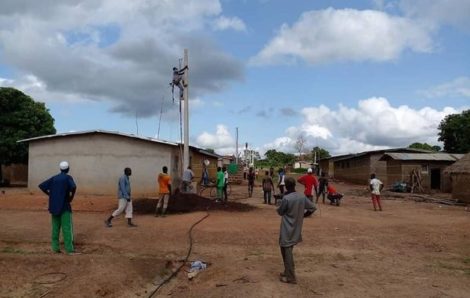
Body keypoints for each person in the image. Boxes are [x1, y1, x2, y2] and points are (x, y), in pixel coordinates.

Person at [277, 177, 316, 284]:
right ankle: (287, 271)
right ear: (294, 185)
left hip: (286, 229)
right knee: (285, 249)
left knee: (287, 250)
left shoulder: (287, 198)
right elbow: (313, 208)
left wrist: (281, 200)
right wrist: (303, 216)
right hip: (296, 228)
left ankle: (291, 277)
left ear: (286, 186)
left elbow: (280, 212)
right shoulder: (301, 197)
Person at [39, 161, 78, 255]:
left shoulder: (54, 178)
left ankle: (55, 248)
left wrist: (50, 194)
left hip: (54, 206)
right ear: (68, 169)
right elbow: (74, 187)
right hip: (64, 206)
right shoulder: (68, 178)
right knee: (67, 228)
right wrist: (71, 197)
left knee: (55, 228)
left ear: (60, 169)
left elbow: (42, 186)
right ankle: (69, 249)